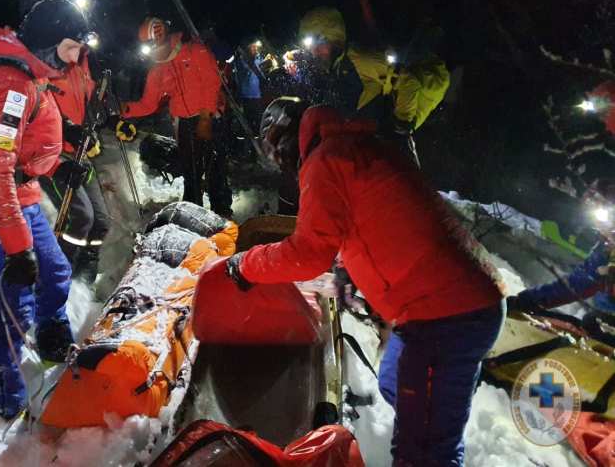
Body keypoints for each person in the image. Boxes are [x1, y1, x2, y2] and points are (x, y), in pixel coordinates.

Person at [222, 97, 506, 466]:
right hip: (450, 301)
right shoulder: (353, 147)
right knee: (394, 385)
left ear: (285, 141)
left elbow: (307, 253)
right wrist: (347, 264)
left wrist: (247, 265)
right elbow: (376, 216)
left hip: (445, 313)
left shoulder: (325, 161)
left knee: (422, 451)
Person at [0, 25, 78, 420]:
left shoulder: (28, 76)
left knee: (55, 270)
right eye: (69, 46)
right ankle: (2, 400)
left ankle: (52, 341)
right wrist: (17, 247)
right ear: (46, 38)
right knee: (12, 308)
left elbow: (19, 145)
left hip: (19, 199)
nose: (74, 58)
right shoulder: (10, 83)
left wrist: (56, 166)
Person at [294, 6, 450, 166]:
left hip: (394, 140)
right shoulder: (338, 69)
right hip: (376, 143)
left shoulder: (358, 59)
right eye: (310, 47)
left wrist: (401, 122)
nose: (314, 52)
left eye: (318, 44)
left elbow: (408, 80)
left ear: (334, 39)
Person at [117, 17, 232, 217]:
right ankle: (192, 215)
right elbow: (149, 103)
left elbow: (212, 83)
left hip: (211, 117)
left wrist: (205, 118)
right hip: (185, 123)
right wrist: (124, 109)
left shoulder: (195, 51)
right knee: (191, 172)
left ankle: (222, 213)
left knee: (216, 170)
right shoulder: (158, 69)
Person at [35, 33, 111, 285]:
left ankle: (84, 275)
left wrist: (112, 120)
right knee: (80, 217)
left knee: (101, 221)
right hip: (54, 154)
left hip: (79, 152)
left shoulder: (85, 65)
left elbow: (90, 107)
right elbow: (41, 105)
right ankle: (58, 274)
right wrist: (69, 129)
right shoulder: (47, 63)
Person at [509, 180, 615, 343]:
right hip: (605, 320)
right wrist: (530, 299)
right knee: (584, 325)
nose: (605, 228)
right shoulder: (604, 251)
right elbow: (579, 283)